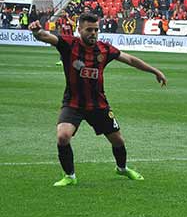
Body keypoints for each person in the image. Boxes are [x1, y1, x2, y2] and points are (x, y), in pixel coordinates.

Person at [29, 13, 167, 187]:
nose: (93, 33)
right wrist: (36, 31)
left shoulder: (104, 49)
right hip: (73, 103)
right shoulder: (69, 44)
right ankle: (69, 176)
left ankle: (122, 169)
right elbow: (45, 36)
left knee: (118, 141)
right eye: (89, 30)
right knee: (63, 136)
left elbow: (130, 59)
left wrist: (155, 71)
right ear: (79, 30)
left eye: (96, 30)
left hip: (98, 104)